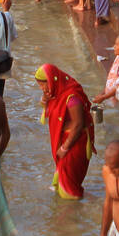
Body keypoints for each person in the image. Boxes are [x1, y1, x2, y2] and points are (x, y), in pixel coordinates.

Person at [36, 63, 94, 199]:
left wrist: (65, 147)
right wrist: (45, 102)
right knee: (63, 178)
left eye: (44, 84)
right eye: (40, 85)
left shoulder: (72, 98)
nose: (42, 88)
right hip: (65, 139)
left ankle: (73, 214)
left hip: (75, 143)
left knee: (70, 186)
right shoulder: (57, 93)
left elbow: (78, 124)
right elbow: (53, 112)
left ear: (52, 80)